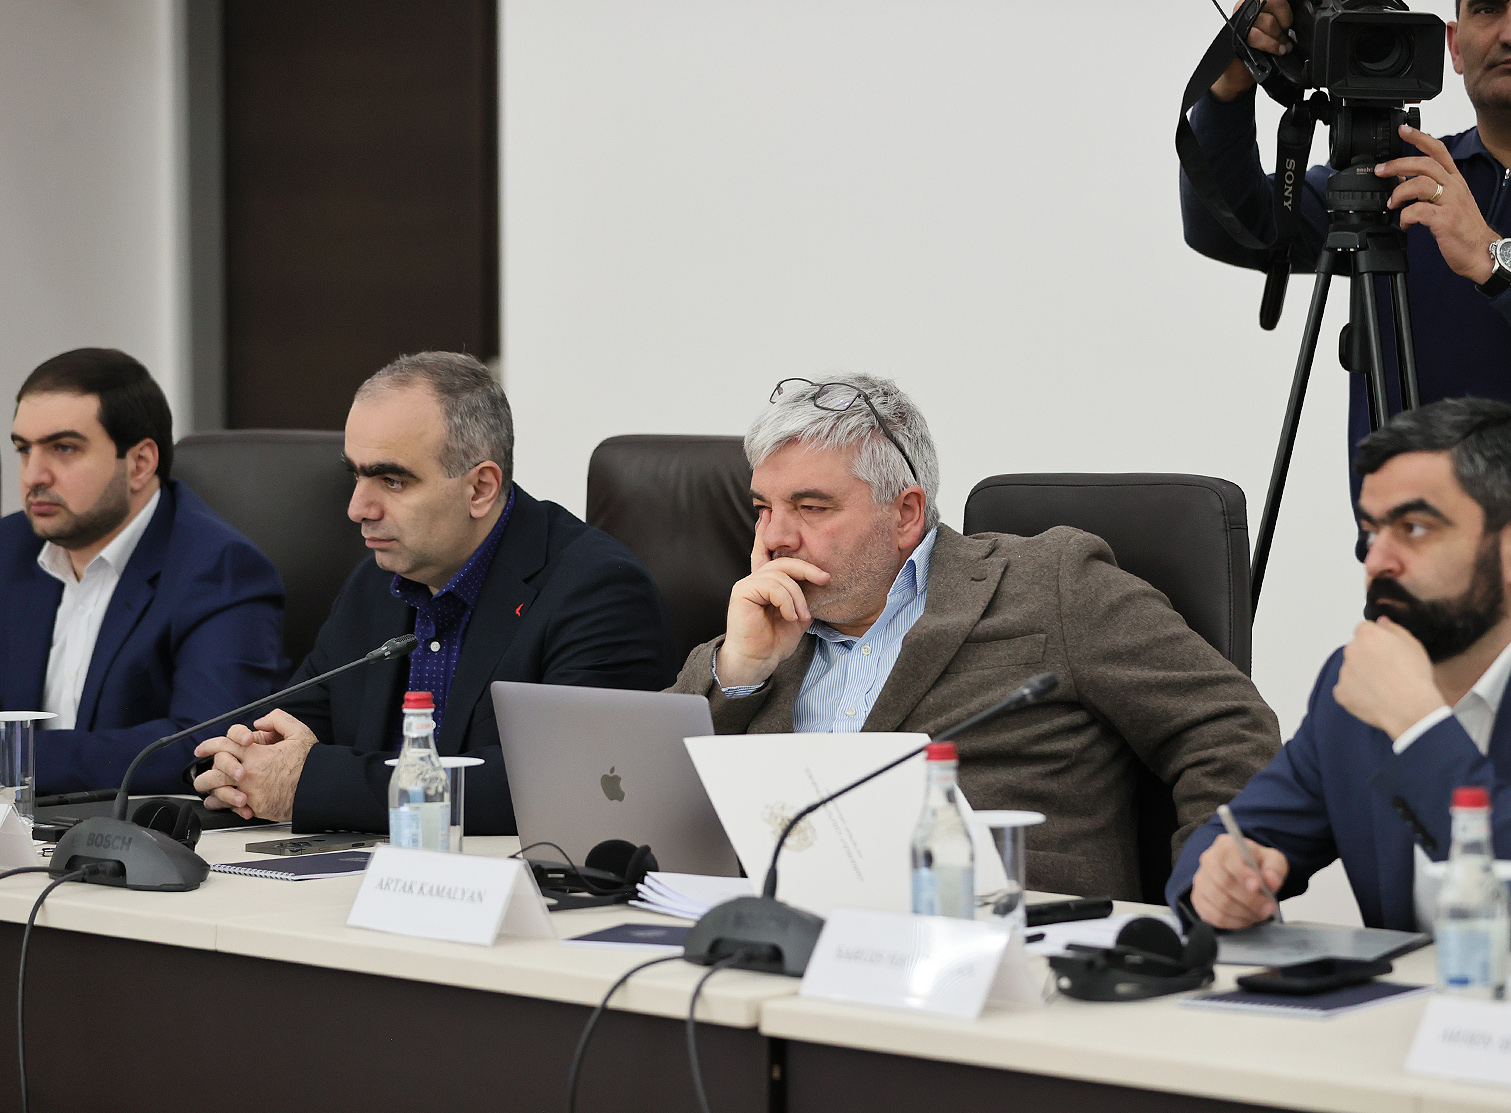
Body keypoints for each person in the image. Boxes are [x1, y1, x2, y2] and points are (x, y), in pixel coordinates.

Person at [668, 375, 1281, 899]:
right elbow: (651, 791)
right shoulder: (760, 633)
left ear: (905, 514)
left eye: (811, 508)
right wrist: (740, 669)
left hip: (1003, 936)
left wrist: (1212, 879)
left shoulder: (1051, 582)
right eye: (763, 508)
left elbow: (1225, 726)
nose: (775, 537)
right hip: (772, 942)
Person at [1181, 0, 1511, 583]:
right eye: (1488, 9)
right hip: (1415, 589)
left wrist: (1494, 259)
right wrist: (1229, 89)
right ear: (1454, 45)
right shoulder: (1406, 173)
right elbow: (1229, 224)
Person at [1169, 398, 1511, 961]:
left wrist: (1418, 727)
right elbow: (1229, 840)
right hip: (1409, 1008)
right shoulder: (1355, 685)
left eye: (1414, 528)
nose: (1377, 560)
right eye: (1371, 530)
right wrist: (1220, 883)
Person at [192, 352, 677, 833]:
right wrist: (243, 763)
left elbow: (565, 784)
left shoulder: (597, 591)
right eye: (356, 475)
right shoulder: (375, 584)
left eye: (392, 480)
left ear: (480, 488)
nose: (358, 509)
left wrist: (315, 784)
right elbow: (291, 730)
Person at [0, 348, 285, 794]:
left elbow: (208, 745)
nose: (34, 475)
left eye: (63, 448)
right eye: (23, 449)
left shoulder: (221, 571)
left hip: (134, 829)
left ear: (139, 463)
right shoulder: (8, 549)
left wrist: (14, 758)